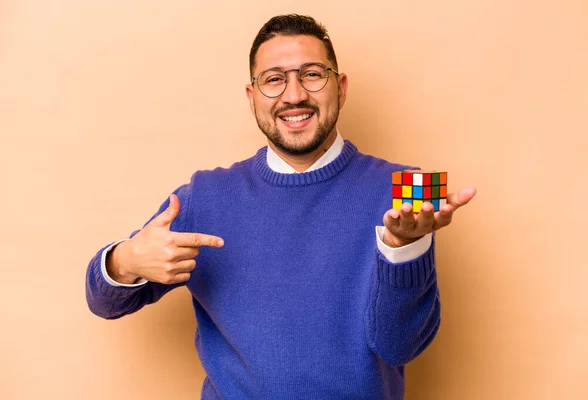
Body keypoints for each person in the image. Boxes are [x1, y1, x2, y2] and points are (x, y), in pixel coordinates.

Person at [85, 14, 476, 399]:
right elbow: (103, 301)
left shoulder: (402, 192)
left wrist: (405, 248)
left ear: (339, 88)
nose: (294, 95)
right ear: (252, 97)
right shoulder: (204, 196)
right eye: (274, 80)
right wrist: (126, 260)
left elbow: (400, 347)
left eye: (312, 75)